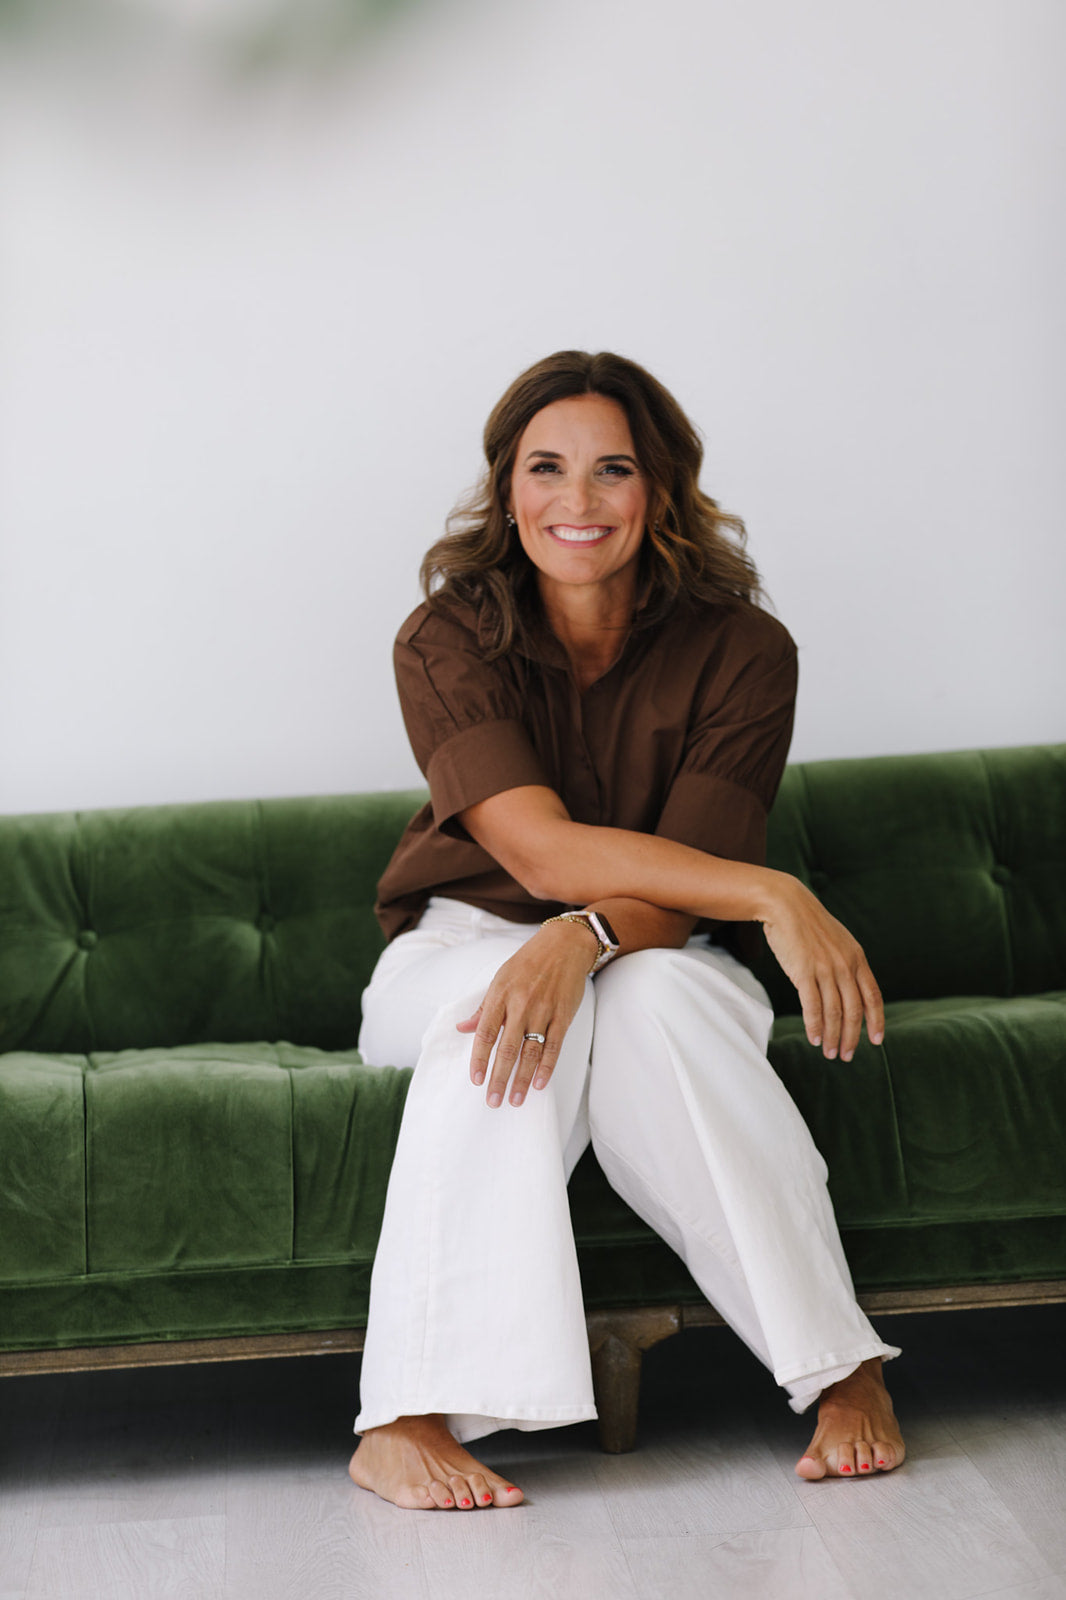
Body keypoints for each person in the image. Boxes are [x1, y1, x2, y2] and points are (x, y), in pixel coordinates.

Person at [349, 350, 905, 1512]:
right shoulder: (443, 636)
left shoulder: (745, 650)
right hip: (462, 935)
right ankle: (402, 1414)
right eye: (547, 469)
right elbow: (538, 853)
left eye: (612, 470)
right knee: (491, 1001)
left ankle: (840, 1368)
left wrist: (588, 936)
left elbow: (690, 883)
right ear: (508, 491)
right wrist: (777, 893)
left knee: (654, 1008)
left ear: (658, 490)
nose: (578, 500)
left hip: (665, 947)